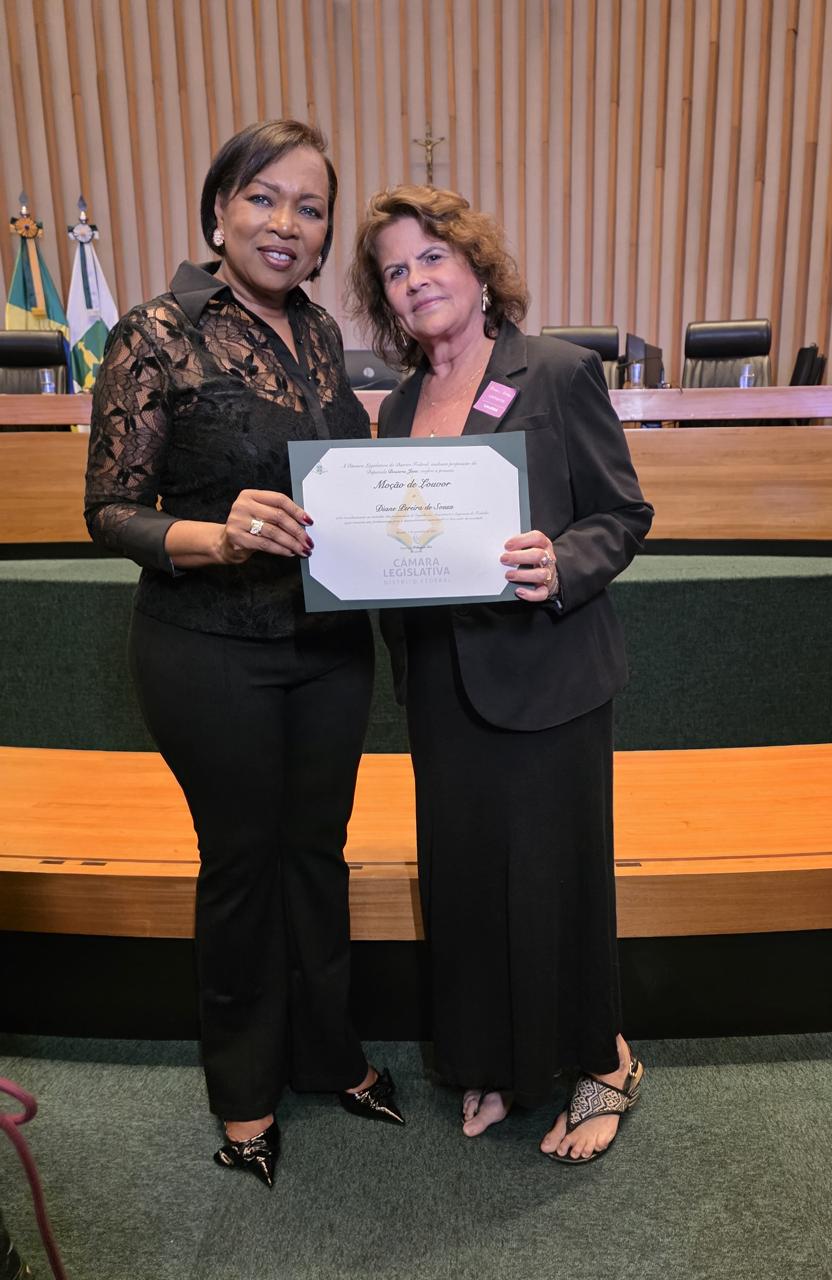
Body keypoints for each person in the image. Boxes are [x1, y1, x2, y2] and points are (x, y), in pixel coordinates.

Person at [84, 121, 403, 1189]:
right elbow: (109, 510)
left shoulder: (319, 334)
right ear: (219, 205)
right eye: (265, 198)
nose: (287, 225)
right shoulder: (155, 331)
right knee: (241, 865)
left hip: (327, 644)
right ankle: (242, 1088)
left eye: (310, 208)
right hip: (207, 646)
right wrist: (215, 535)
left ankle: (329, 1049)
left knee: (319, 853)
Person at [347, 186, 654, 1163]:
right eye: (396, 269)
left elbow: (621, 515)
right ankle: (497, 1064)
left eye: (433, 257)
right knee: (468, 882)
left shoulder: (556, 370)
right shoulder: (396, 405)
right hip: (440, 685)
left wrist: (561, 563)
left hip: (550, 680)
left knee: (560, 882)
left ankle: (606, 1059)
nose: (416, 280)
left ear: (478, 267)